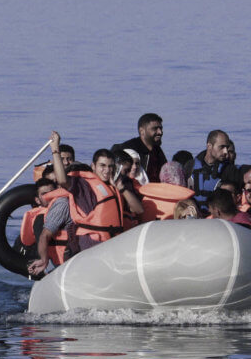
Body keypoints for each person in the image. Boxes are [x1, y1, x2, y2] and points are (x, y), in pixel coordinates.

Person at [27, 133, 145, 276]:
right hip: (90, 254)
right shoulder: (84, 185)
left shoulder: (113, 188)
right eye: (102, 166)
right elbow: (63, 180)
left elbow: (138, 210)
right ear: (93, 166)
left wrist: (121, 189)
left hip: (111, 252)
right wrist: (55, 149)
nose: (107, 170)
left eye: (110, 166)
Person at [189, 129, 238, 207]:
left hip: (218, 215)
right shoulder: (190, 166)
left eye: (228, 148)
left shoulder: (230, 171)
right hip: (194, 214)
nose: (226, 152)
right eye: (222, 147)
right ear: (209, 146)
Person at [119, 113, 167, 182]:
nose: (160, 132)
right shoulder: (128, 149)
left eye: (161, 128)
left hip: (156, 190)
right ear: (142, 131)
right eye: (155, 129)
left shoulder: (157, 150)